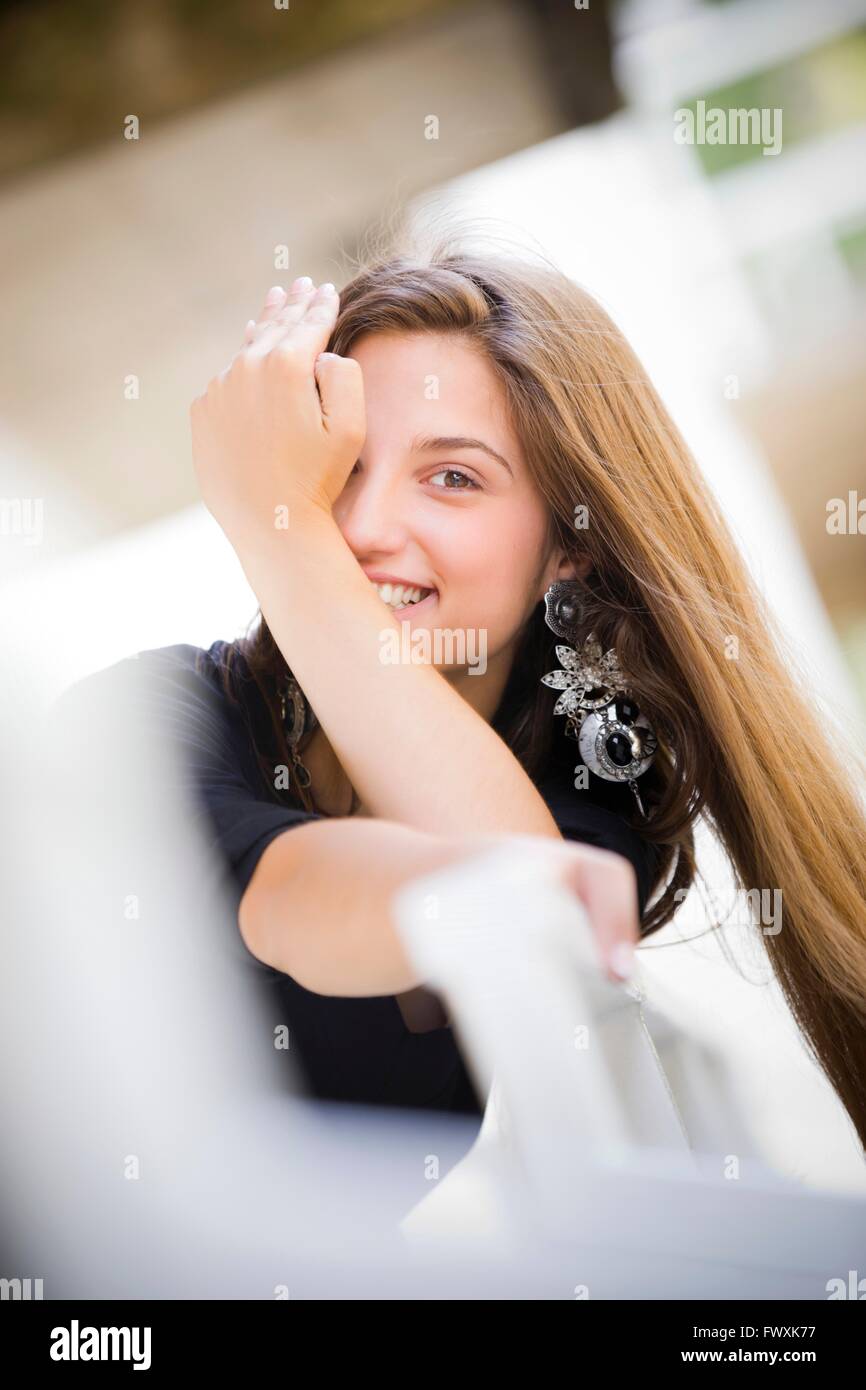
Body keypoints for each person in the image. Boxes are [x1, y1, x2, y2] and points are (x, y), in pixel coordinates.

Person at [81, 229, 866, 1146]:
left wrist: (280, 527)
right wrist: (278, 524)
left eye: (452, 477)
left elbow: (531, 899)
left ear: (568, 545)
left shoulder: (594, 769)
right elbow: (296, 899)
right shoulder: (152, 719)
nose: (369, 527)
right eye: (343, 466)